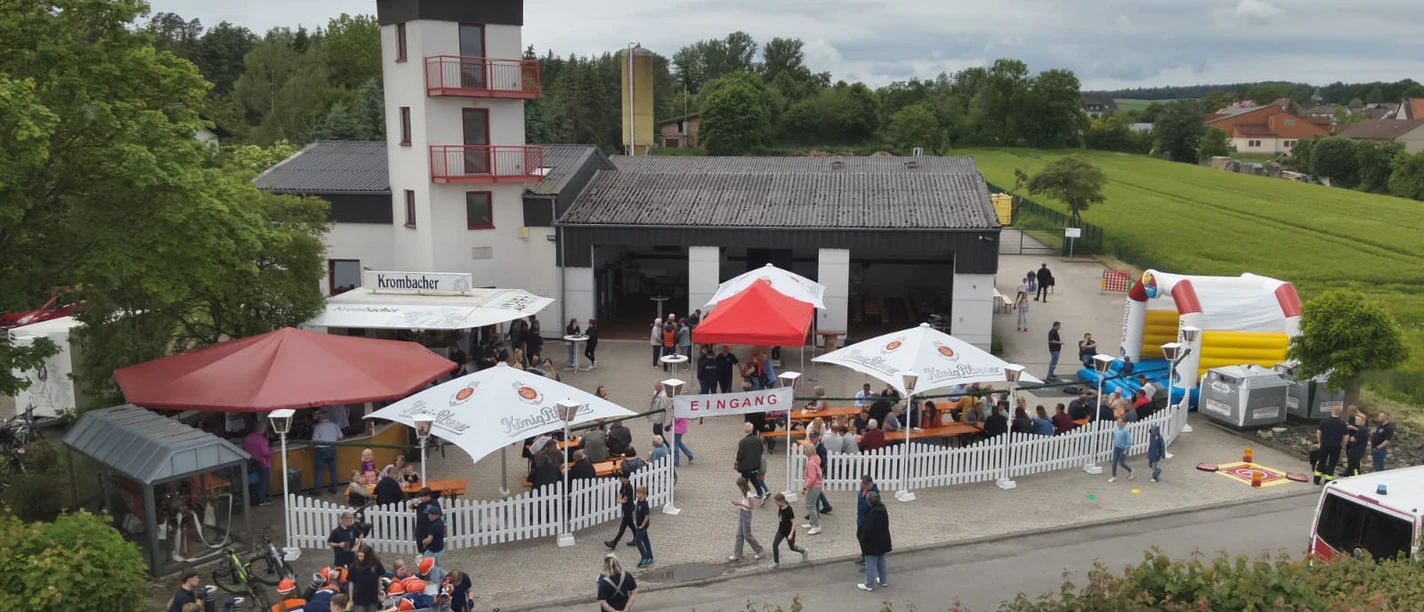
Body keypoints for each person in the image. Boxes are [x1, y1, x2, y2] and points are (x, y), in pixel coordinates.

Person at [857, 491, 892, 592]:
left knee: (871, 562)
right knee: (882, 560)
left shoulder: (872, 514)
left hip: (872, 543)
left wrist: (862, 539)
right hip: (883, 539)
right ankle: (883, 580)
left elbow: (868, 529)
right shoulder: (883, 509)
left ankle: (869, 584)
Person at [729, 477, 766, 562]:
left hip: (746, 514)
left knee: (747, 535)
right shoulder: (744, 492)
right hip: (742, 512)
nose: (739, 488)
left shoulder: (749, 494)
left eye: (739, 486)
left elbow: (751, 506)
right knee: (739, 534)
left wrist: (740, 504)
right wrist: (740, 504)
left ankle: (759, 550)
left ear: (743, 485)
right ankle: (738, 554)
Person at [770, 492, 808, 569]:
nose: (775, 504)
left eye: (776, 502)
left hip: (789, 532)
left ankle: (803, 551)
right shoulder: (780, 507)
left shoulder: (789, 510)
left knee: (792, 547)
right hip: (781, 531)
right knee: (775, 544)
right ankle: (776, 562)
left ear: (781, 501)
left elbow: (794, 523)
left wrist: (791, 534)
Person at [1314, 404, 1348, 485]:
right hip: (1336, 445)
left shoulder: (1324, 421)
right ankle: (1328, 481)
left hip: (1325, 444)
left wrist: (1319, 442)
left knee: (1321, 461)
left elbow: (1319, 431)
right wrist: (1344, 445)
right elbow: (1346, 436)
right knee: (1332, 463)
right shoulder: (1342, 423)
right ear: (1340, 413)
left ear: (1332, 411)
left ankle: (1316, 480)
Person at [346, 544, 385, 612]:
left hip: (372, 597)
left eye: (362, 556)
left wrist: (380, 592)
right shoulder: (354, 566)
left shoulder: (376, 564)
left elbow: (379, 578)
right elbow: (351, 582)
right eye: (359, 556)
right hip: (359, 598)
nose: (360, 558)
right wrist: (351, 599)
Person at [242, 420, 273, 505]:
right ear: (263, 429)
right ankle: (263, 499)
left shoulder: (247, 438)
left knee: (254, 482)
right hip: (263, 463)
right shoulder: (262, 439)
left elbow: (243, 449)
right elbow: (265, 452)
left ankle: (255, 498)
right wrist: (271, 452)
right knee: (263, 482)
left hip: (251, 464)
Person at [311, 412, 342, 495]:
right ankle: (334, 488)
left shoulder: (318, 427)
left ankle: (317, 490)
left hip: (321, 450)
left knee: (318, 470)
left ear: (320, 418)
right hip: (332, 448)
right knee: (333, 469)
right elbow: (341, 436)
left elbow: (314, 439)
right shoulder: (334, 425)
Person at [604, 471, 637, 549]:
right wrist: (619, 498)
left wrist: (620, 501)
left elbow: (626, 499)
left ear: (625, 478)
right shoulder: (623, 485)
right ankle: (637, 538)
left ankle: (614, 542)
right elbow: (621, 493)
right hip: (625, 508)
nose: (619, 479)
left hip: (628, 508)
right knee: (631, 524)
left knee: (623, 527)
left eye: (621, 477)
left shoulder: (629, 487)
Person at [801, 441, 825, 535]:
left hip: (814, 486)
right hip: (817, 485)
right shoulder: (816, 459)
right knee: (812, 505)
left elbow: (812, 477)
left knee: (809, 505)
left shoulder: (811, 462)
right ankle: (812, 522)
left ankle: (816, 525)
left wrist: (805, 487)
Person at [420, 505, 446, 585]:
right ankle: (444, 574)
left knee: (432, 566)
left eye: (430, 514)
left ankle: (436, 583)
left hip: (435, 549)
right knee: (433, 564)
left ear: (435, 515)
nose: (428, 516)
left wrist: (423, 542)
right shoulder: (440, 522)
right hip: (437, 547)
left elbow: (429, 539)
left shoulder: (435, 526)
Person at [1341, 405, 1369, 478]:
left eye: (1349, 412)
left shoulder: (1362, 419)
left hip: (1357, 441)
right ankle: (1348, 471)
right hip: (1351, 438)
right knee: (1349, 457)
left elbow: (1363, 431)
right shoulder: (1351, 417)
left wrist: (1353, 428)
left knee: (1355, 460)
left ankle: (1354, 474)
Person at [632, 485, 654, 568]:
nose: (637, 494)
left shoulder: (644, 504)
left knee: (638, 541)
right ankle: (650, 556)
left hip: (642, 526)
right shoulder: (638, 502)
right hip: (639, 524)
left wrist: (642, 526)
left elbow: (647, 516)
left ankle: (644, 557)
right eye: (636, 492)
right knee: (645, 540)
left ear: (643, 494)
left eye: (639, 493)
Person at [411, 488, 437, 554]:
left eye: (422, 497)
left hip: (429, 530)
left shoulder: (434, 503)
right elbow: (410, 506)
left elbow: (438, 516)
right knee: (421, 551)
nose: (421, 498)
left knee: (430, 551)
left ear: (428, 496)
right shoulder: (419, 503)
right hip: (420, 531)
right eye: (420, 496)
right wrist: (413, 502)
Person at [1108, 418, 1135, 482]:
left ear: (1124, 423)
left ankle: (1130, 470)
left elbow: (1129, 441)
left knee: (1121, 463)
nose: (1118, 423)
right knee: (1114, 463)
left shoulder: (1126, 431)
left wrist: (1126, 449)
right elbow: (1115, 438)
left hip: (1123, 449)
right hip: (1116, 448)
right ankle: (1114, 476)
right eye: (1118, 422)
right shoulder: (1116, 430)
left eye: (1120, 422)